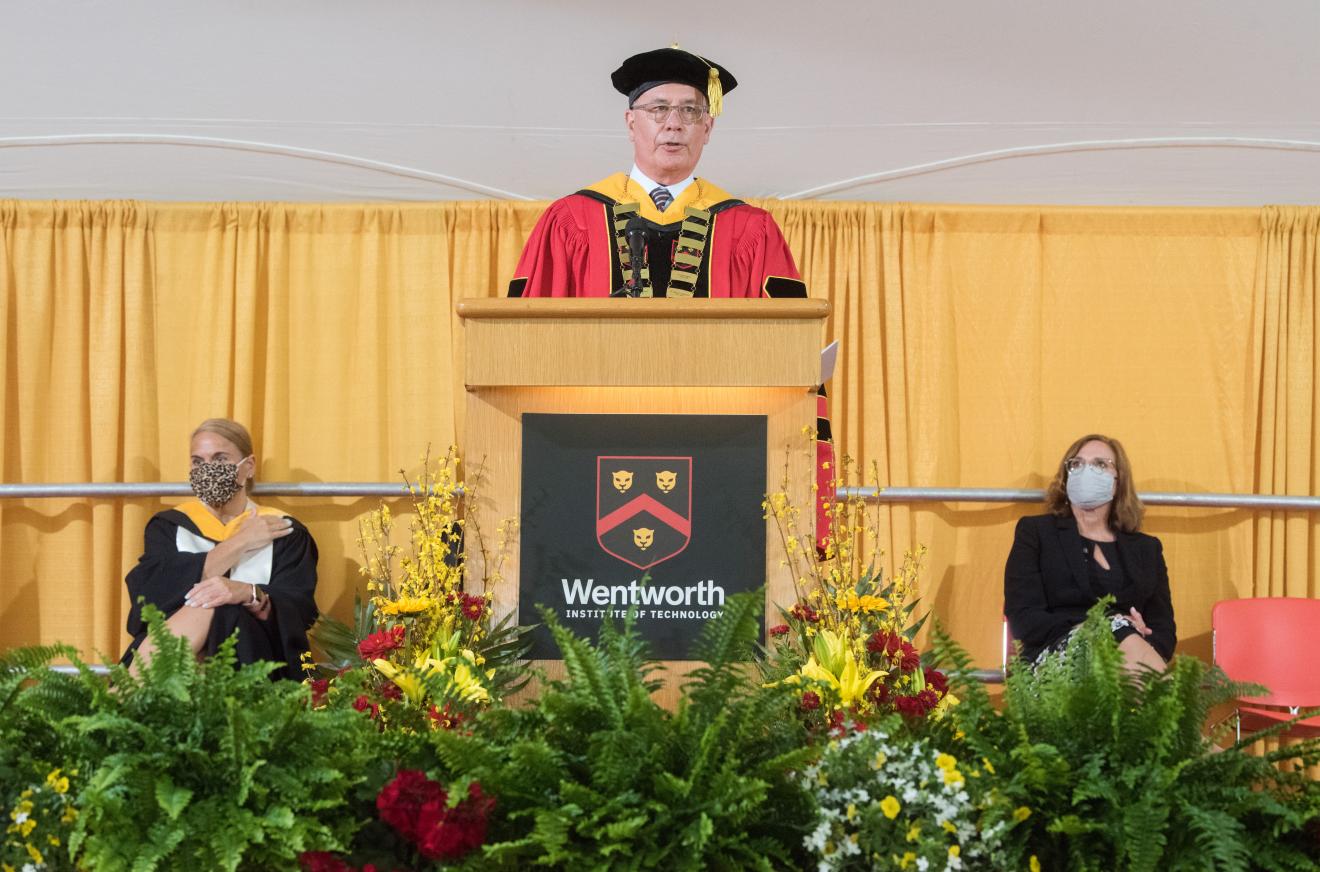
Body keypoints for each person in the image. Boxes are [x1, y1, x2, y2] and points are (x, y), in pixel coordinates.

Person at [508, 45, 807, 299]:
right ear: (631, 123)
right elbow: (531, 332)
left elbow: (785, 336)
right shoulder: (572, 219)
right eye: (658, 109)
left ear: (707, 128)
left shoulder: (748, 228)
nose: (674, 123)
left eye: (690, 110)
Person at [121, 418, 318, 679]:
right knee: (209, 605)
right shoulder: (168, 527)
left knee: (223, 609)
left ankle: (125, 696)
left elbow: (299, 610)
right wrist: (240, 543)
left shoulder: (284, 531)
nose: (208, 469)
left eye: (220, 458)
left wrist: (247, 593)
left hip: (255, 656)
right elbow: (149, 600)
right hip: (181, 656)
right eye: (198, 462)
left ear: (248, 467)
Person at [1004, 434, 1175, 671]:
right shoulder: (1036, 533)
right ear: (1066, 477)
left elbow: (1164, 632)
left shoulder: (1147, 549)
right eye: (1077, 464)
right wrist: (1098, 627)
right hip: (1052, 663)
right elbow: (1024, 618)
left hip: (1126, 662)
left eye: (1100, 464)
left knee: (1121, 643)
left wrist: (1141, 635)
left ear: (1118, 480)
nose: (1087, 471)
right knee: (1116, 631)